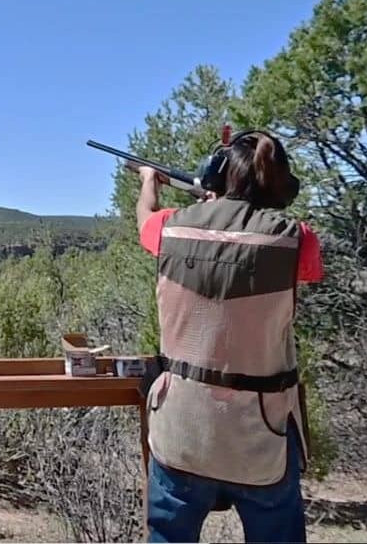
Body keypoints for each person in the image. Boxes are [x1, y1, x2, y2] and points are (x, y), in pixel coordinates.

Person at [136, 129, 324, 543]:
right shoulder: (297, 238)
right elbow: (307, 270)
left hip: (181, 430)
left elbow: (146, 221)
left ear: (216, 176)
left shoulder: (172, 228)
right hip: (260, 433)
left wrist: (149, 179)